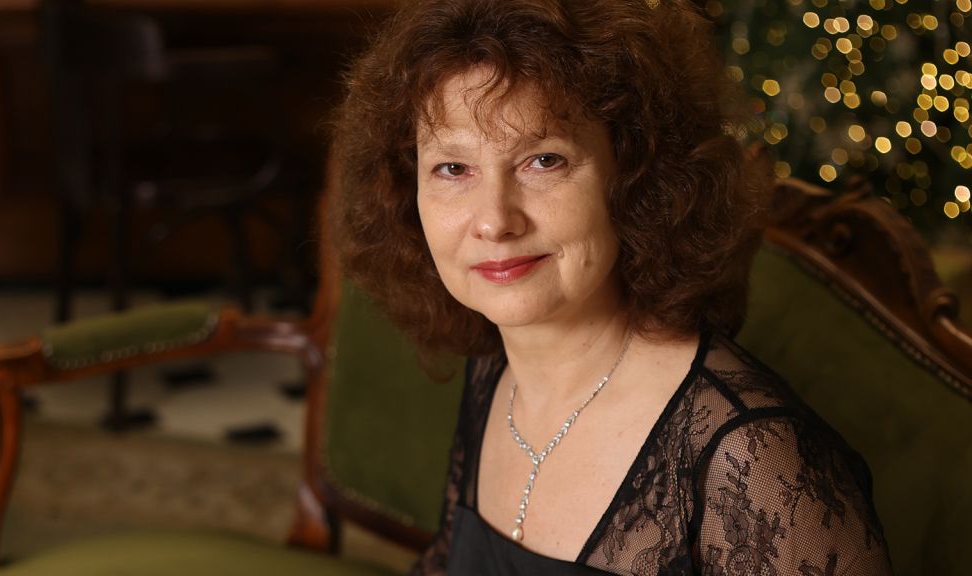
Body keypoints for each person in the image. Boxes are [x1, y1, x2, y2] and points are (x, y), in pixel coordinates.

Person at [331, 0, 893, 574]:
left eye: (543, 160)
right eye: (453, 169)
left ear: (636, 179)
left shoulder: (757, 461)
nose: (495, 221)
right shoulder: (497, 370)